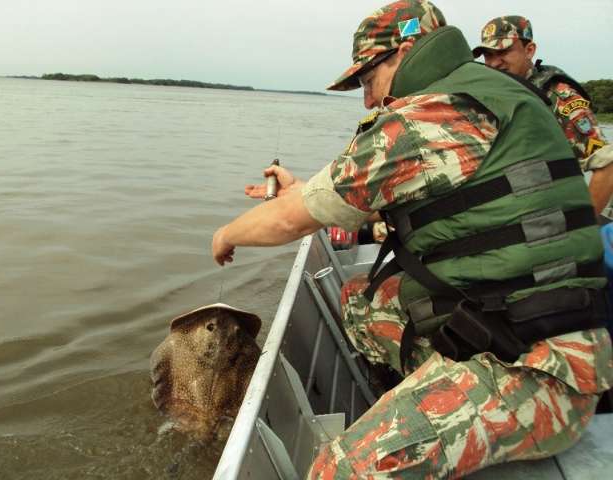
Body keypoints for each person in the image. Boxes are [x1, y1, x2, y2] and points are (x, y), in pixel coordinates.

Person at [212, 1, 612, 478]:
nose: (366, 100)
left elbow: (290, 223)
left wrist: (225, 233)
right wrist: (297, 193)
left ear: (404, 52)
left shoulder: (433, 113)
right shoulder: (483, 93)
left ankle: (433, 418)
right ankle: (424, 400)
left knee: (338, 469)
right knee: (361, 304)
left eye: (367, 81)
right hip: (512, 321)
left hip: (542, 373)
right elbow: (349, 197)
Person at [472, 15, 613, 214]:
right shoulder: (492, 98)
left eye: (503, 51)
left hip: (552, 223)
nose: (494, 63)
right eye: (488, 55)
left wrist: (585, 226)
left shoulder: (558, 98)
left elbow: (606, 167)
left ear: (529, 50)